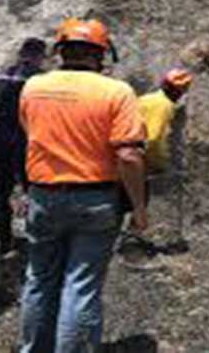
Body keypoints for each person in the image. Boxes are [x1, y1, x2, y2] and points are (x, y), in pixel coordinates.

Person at [18, 17, 148, 353]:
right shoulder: (116, 92)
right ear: (102, 53)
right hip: (95, 198)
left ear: (60, 50)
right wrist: (140, 208)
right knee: (81, 286)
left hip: (43, 196)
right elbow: (130, 156)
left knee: (39, 280)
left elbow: (30, 137)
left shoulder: (33, 87)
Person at [0, 37, 46, 254]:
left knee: (0, 192)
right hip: (24, 138)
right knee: (34, 189)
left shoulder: (1, 75)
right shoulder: (39, 79)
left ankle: (4, 240)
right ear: (39, 56)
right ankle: (36, 238)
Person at [137, 66, 192, 238]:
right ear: (181, 92)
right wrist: (159, 164)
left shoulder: (146, 99)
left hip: (121, 156)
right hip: (137, 160)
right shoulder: (164, 106)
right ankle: (133, 241)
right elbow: (153, 140)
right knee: (139, 201)